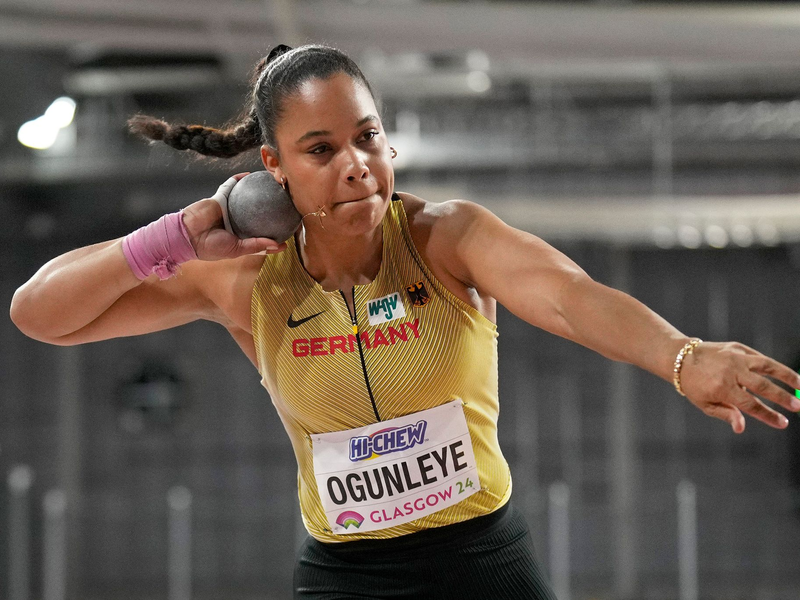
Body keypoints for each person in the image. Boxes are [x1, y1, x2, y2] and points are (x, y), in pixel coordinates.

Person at [9, 43, 800, 600]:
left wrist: (680, 355)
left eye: (368, 137)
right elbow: (40, 314)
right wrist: (173, 239)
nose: (356, 165)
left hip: (482, 562)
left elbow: (569, 295)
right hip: (346, 577)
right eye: (321, 150)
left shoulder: (445, 239)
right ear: (273, 168)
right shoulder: (245, 279)